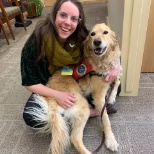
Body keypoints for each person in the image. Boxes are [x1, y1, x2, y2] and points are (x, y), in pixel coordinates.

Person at [21, 0, 120, 129]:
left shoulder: (82, 36)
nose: (68, 22)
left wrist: (116, 66)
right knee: (31, 116)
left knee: (115, 86)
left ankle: (77, 111)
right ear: (54, 15)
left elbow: (109, 46)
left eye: (74, 18)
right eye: (63, 15)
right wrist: (58, 95)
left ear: (78, 21)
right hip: (48, 84)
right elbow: (29, 82)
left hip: (76, 79)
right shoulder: (36, 41)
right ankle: (90, 112)